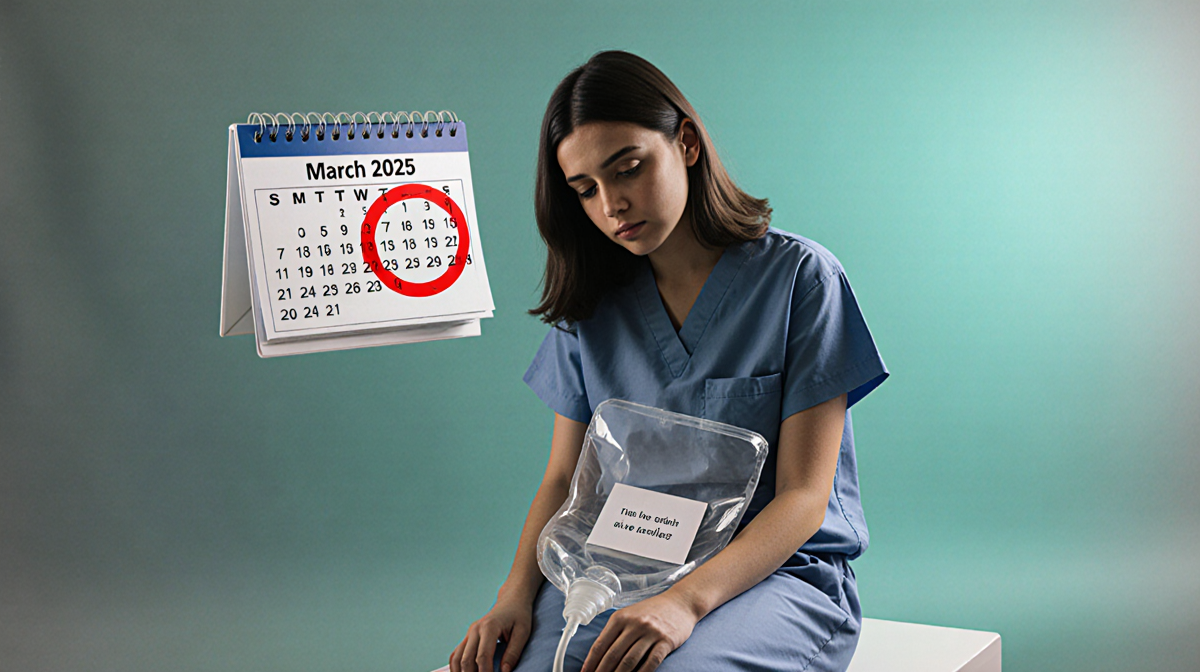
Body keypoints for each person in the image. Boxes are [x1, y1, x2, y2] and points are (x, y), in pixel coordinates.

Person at [449, 50, 888, 672]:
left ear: (684, 143)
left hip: (773, 578)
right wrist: (515, 595)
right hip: (616, 568)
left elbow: (803, 497)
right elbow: (561, 480)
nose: (611, 206)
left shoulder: (800, 281)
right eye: (585, 190)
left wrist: (684, 602)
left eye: (627, 169)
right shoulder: (591, 308)